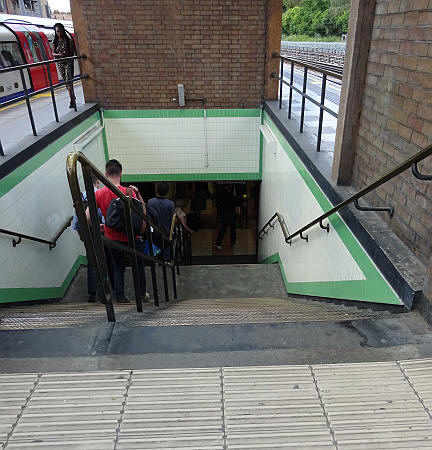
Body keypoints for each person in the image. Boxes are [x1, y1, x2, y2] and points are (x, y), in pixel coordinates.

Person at [86, 159, 148, 303]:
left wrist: (100, 226)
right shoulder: (128, 192)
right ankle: (142, 294)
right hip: (131, 237)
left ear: (106, 175)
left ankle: (120, 297)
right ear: (121, 173)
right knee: (138, 265)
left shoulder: (98, 194)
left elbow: (87, 217)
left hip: (112, 238)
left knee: (118, 266)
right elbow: (143, 214)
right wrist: (138, 195)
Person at [72, 174, 112, 302]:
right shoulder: (102, 194)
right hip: (103, 235)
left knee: (92, 262)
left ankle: (92, 294)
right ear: (98, 182)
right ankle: (111, 290)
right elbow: (107, 217)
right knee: (108, 261)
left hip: (88, 235)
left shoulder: (81, 197)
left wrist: (82, 236)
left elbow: (77, 221)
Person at [147, 183, 176, 260]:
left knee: (156, 254)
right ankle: (167, 262)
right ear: (167, 191)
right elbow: (174, 218)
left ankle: (157, 262)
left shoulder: (150, 202)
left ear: (157, 191)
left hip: (154, 233)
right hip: (167, 233)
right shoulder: (170, 204)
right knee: (167, 255)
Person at [52, 22, 76, 108]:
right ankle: (72, 97)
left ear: (63, 31)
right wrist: (59, 55)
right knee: (66, 82)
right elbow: (53, 54)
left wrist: (66, 54)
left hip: (68, 63)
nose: (59, 33)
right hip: (60, 64)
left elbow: (72, 53)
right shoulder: (54, 42)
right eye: (57, 32)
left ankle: (72, 101)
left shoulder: (68, 40)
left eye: (60, 31)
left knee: (69, 81)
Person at [214, 184, 237, 250]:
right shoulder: (228, 193)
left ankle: (218, 242)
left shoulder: (220, 193)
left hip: (224, 213)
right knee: (231, 227)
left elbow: (218, 204)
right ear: (227, 186)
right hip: (229, 213)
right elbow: (234, 201)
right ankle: (231, 241)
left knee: (224, 228)